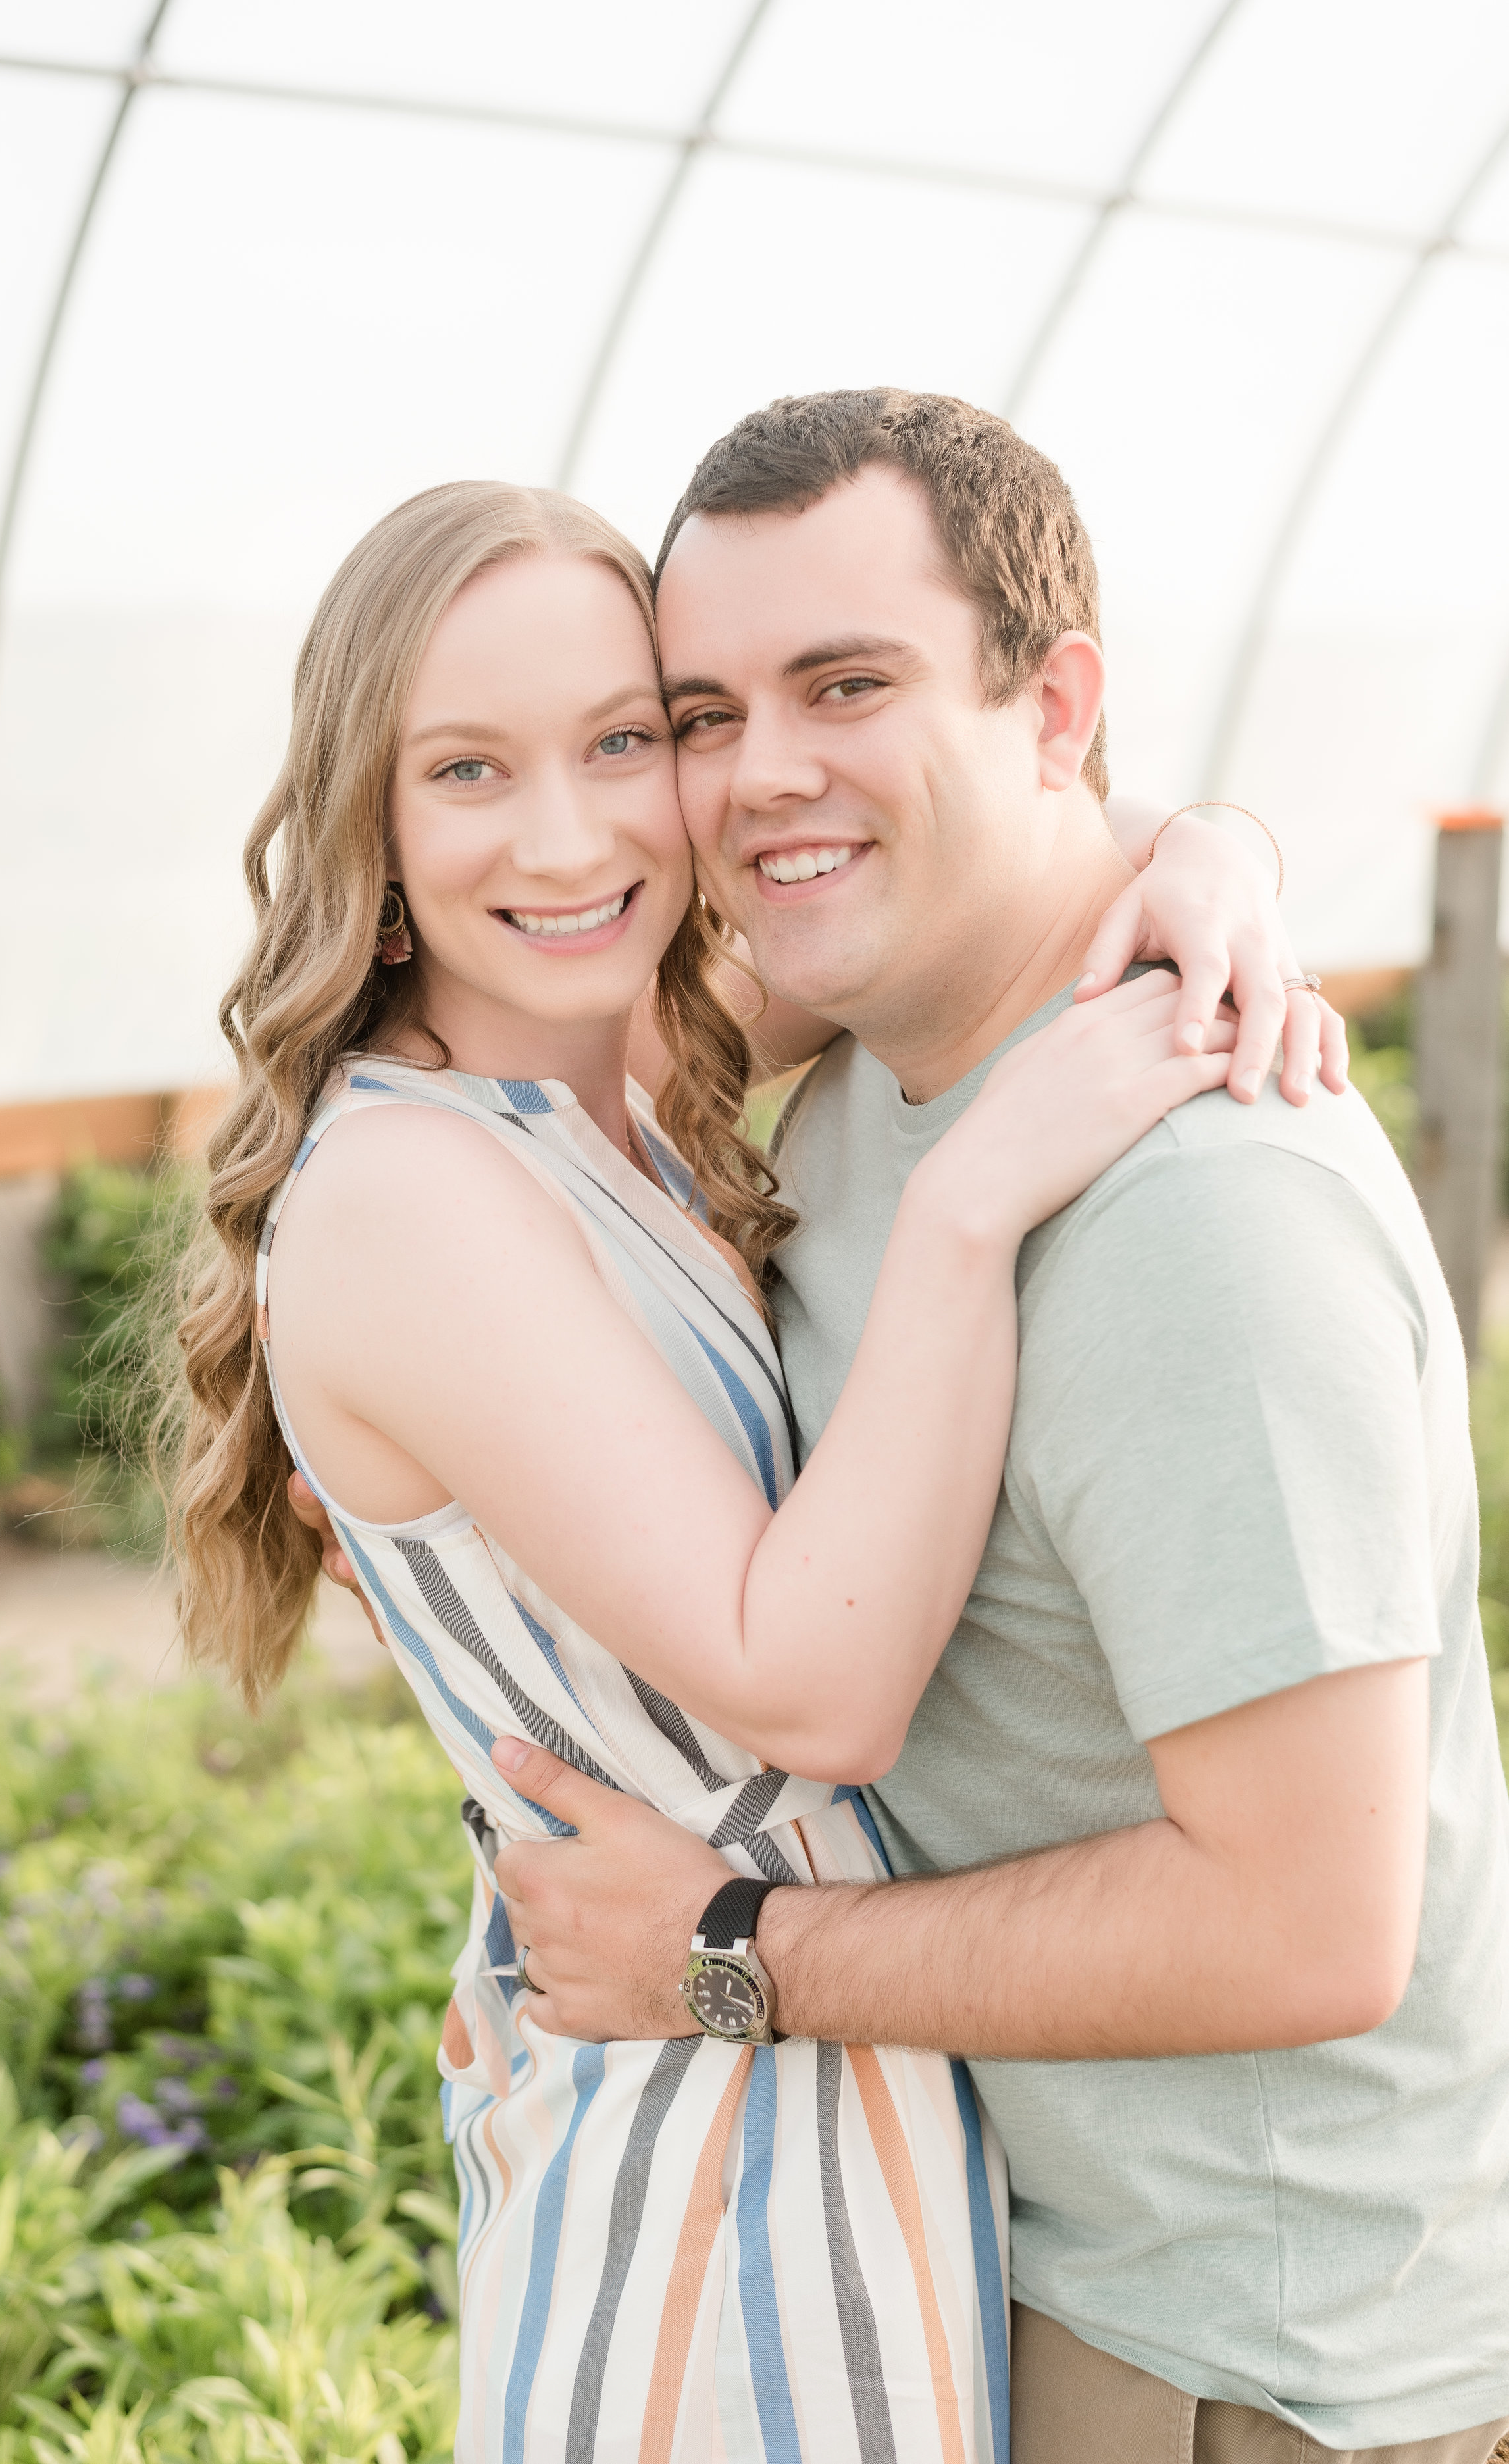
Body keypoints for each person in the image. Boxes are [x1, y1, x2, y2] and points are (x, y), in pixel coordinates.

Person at [172, 474, 1329, 2464]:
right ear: (368, 822)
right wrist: (973, 1199)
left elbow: (1015, 855)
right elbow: (814, 1684)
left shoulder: (633, 1057)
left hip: (835, 2064)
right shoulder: (408, 1187)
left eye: (626, 739)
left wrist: (1216, 849)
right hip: (703, 2135)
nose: (569, 833)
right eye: (468, 769)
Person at [481, 392, 1509, 2464]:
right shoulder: (872, 1053)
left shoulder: (1198, 1214)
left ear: (1056, 710)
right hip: (1013, 2267)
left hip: (1245, 2363)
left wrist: (734, 1952)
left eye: (843, 684)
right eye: (701, 711)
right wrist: (1206, 839)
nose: (759, 773)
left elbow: (1309, 1917)